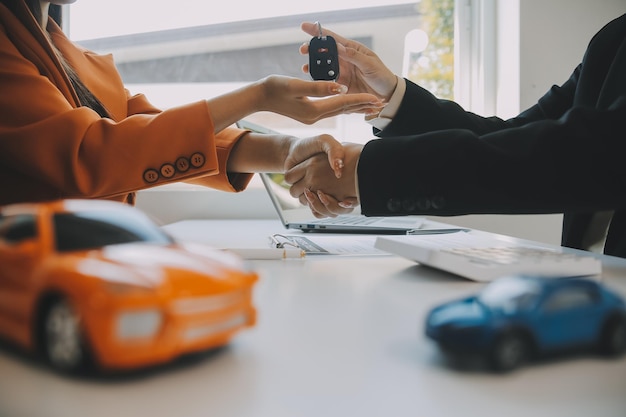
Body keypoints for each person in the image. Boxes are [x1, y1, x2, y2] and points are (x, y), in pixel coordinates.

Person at [285, 17, 626, 258]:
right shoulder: (612, 41)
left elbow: (592, 152)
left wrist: (365, 171)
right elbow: (515, 136)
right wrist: (391, 95)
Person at [0, 0, 384, 206]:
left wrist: (290, 151)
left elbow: (160, 139)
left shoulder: (73, 59)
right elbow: (93, 155)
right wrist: (259, 96)